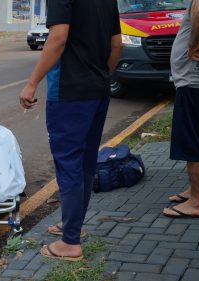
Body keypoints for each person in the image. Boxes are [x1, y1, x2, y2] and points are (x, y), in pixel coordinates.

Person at [19, 0, 122, 261]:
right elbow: (117, 44)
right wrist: (99, 75)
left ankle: (70, 242)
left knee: (69, 165)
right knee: (85, 163)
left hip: (68, 94)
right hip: (97, 90)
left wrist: (31, 83)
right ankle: (72, 226)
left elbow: (58, 38)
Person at [163, 0, 199, 218]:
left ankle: (196, 203)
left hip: (197, 78)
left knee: (194, 139)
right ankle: (194, 190)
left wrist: (192, 43)